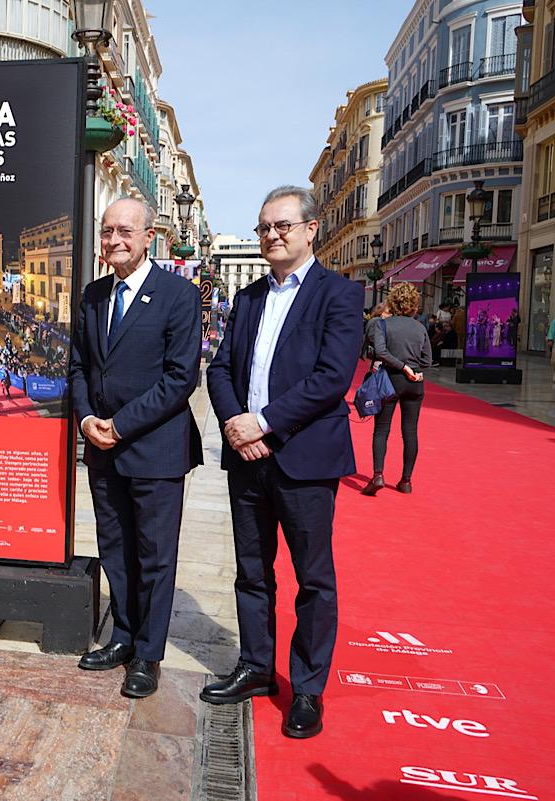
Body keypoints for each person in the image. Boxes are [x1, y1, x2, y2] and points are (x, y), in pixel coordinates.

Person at [202, 186, 363, 739]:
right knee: (253, 569)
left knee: (313, 578)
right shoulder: (247, 299)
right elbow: (219, 369)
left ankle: (309, 690)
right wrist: (235, 424)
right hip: (247, 458)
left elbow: (332, 378)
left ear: (311, 228)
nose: (271, 235)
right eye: (264, 226)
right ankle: (255, 665)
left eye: (283, 225)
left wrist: (263, 421)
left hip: (305, 458)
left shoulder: (338, 295)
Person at [68, 198, 203, 699]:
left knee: (154, 555)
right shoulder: (93, 294)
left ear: (150, 236)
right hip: (102, 448)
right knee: (115, 548)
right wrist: (86, 419)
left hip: (155, 448)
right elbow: (79, 366)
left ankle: (148, 652)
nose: (113, 240)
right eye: (106, 231)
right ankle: (122, 637)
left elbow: (180, 378)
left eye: (125, 231)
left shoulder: (178, 295)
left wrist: (120, 425)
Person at [361, 283, 431, 497]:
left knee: (382, 429)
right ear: (413, 305)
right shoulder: (420, 327)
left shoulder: (384, 325)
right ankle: (406, 481)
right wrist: (412, 368)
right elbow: (427, 360)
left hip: (390, 381)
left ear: (392, 302)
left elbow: (380, 351)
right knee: (410, 431)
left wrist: (401, 366)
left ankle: (378, 475)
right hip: (414, 383)